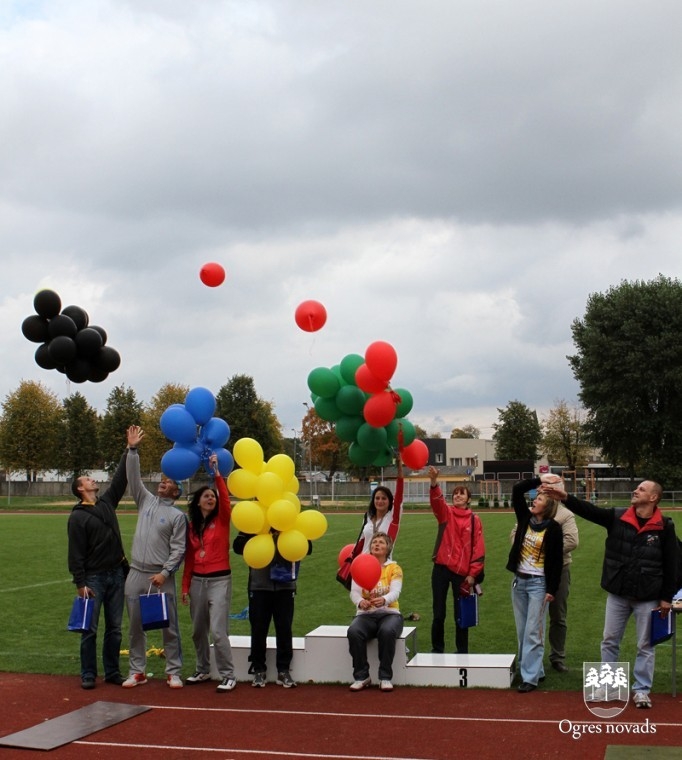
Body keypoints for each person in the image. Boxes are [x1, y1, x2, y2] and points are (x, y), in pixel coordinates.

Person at [542, 477, 678, 709]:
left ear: (653, 497)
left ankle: (642, 690)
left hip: (648, 597)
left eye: (641, 489)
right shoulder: (617, 517)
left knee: (646, 645)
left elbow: (673, 564)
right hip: (618, 594)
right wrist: (565, 498)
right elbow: (589, 511)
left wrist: (666, 598)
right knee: (609, 641)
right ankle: (609, 685)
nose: (635, 491)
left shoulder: (665, 526)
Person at [122, 425, 187, 689]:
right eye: (163, 479)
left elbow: (179, 549)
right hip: (136, 572)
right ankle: (137, 671)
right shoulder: (145, 500)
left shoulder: (178, 516)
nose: (163, 482)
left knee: (168, 626)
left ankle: (173, 671)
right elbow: (133, 477)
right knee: (135, 626)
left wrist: (166, 572)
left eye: (169, 481)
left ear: (176, 492)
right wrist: (132, 449)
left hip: (161, 576)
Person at [67, 432, 131, 690]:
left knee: (115, 628)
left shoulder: (106, 503)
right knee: (89, 630)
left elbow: (120, 478)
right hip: (93, 579)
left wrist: (129, 449)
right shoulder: (77, 517)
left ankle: (113, 672)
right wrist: (80, 583)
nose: (93, 480)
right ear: (81, 488)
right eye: (88, 479)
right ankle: (88, 674)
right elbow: (75, 554)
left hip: (117, 574)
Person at [181, 454, 236, 693]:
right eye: (206, 496)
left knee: (217, 630)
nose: (211, 498)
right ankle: (202, 669)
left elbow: (225, 498)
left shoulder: (223, 520)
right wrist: (185, 586)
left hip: (219, 580)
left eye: (212, 496)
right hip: (197, 582)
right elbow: (190, 558)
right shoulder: (192, 527)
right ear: (198, 502)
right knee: (197, 630)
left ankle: (228, 675)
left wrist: (217, 474)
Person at [233, 529, 311, 688]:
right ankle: (258, 669)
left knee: (284, 628)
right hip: (259, 585)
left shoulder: (291, 523)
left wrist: (284, 537)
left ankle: (283, 670)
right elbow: (237, 546)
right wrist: (258, 537)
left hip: (285, 585)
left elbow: (307, 547)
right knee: (258, 628)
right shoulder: (256, 521)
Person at [507, 475, 563, 693]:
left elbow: (557, 561)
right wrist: (540, 479)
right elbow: (517, 489)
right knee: (523, 631)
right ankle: (534, 671)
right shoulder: (524, 519)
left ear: (547, 506)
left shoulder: (554, 529)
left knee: (533, 631)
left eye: (539, 499)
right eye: (536, 497)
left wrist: (552, 589)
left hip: (539, 585)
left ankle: (528, 678)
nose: (534, 501)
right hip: (519, 582)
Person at [510, 503, 579, 673]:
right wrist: (525, 548)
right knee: (529, 623)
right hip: (529, 572)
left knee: (558, 615)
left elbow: (571, 541)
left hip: (558, 569)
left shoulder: (565, 514)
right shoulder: (529, 513)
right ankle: (531, 665)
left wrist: (541, 551)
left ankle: (557, 656)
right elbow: (515, 534)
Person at [428, 466, 485, 654]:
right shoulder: (446, 513)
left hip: (462, 574)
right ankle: (437, 649)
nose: (457, 496)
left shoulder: (474, 520)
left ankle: (462, 651)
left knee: (461, 613)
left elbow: (478, 548)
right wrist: (434, 482)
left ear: (469, 499)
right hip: (441, 570)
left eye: (462, 494)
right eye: (455, 494)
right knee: (438, 613)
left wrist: (472, 574)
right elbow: (437, 503)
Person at [347, 532, 404, 692]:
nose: (376, 545)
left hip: (390, 614)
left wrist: (384, 600)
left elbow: (396, 591)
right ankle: (361, 676)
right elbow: (354, 592)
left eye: (381, 543)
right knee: (354, 631)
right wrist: (360, 602)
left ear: (388, 548)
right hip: (366, 615)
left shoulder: (394, 568)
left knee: (387, 631)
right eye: (374, 543)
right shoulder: (360, 565)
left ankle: (385, 677)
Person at [357, 454, 404, 555]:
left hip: (384, 566)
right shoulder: (367, 517)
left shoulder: (393, 518)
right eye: (377, 498)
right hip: (364, 564)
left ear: (390, 501)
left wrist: (399, 467)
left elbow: (399, 494)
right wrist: (350, 562)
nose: (380, 501)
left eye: (384, 498)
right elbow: (361, 543)